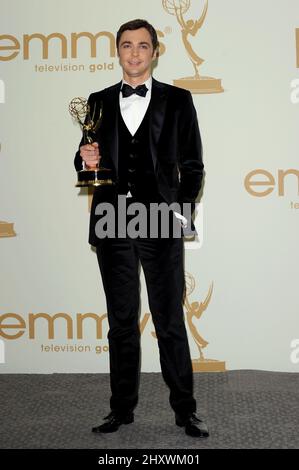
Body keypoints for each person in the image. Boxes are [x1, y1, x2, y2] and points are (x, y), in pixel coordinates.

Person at [74, 19, 208, 438]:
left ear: (154, 52)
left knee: (169, 320)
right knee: (121, 322)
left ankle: (185, 410)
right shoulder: (95, 102)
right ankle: (121, 409)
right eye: (127, 45)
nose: (134, 53)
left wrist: (179, 214)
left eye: (143, 46)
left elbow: (193, 166)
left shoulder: (179, 100)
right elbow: (84, 164)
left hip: (159, 222)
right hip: (113, 220)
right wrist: (86, 161)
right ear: (117, 51)